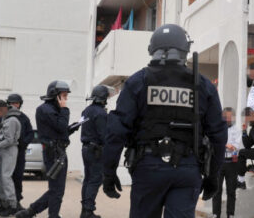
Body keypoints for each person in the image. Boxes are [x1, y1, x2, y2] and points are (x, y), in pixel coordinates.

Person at [100, 24, 227, 217]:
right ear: (185, 50)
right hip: (187, 169)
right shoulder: (203, 85)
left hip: (148, 167)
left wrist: (109, 172)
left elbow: (116, 131)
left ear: (152, 50)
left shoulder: (137, 82)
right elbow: (218, 135)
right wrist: (213, 176)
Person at [16, 81, 72, 218]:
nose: (66, 99)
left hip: (58, 151)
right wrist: (65, 110)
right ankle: (52, 215)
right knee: (56, 190)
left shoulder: (54, 110)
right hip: (53, 153)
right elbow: (61, 126)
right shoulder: (46, 109)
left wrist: (71, 129)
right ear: (55, 95)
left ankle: (30, 212)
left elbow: (60, 131)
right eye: (64, 96)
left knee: (57, 189)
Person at [0, 101, 23, 216]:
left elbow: (9, 140)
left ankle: (12, 205)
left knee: (6, 177)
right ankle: (3, 205)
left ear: (6, 109)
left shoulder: (11, 120)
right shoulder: (6, 119)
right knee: (0, 178)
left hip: (9, 151)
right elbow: (3, 138)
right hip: (4, 150)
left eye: (0, 110)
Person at [80, 85, 110, 218]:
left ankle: (84, 210)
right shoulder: (101, 113)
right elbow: (103, 135)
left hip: (86, 148)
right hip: (96, 150)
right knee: (95, 179)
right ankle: (88, 211)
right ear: (103, 98)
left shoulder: (86, 111)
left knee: (87, 179)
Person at [212, 107, 243, 218]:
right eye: (226, 117)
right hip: (219, 162)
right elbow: (214, 143)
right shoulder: (217, 130)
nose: (228, 119)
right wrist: (226, 144)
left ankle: (230, 214)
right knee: (217, 190)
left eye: (230, 117)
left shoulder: (237, 130)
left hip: (232, 162)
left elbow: (234, 147)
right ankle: (216, 214)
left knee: (231, 190)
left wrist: (223, 144)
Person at [7, 93, 34, 211]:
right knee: (5, 178)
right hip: (6, 153)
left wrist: (24, 143)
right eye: (12, 103)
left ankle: (16, 203)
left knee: (17, 177)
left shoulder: (24, 118)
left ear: (20, 104)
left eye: (16, 103)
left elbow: (31, 133)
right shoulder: (2, 116)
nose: (14, 105)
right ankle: (3, 205)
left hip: (19, 152)